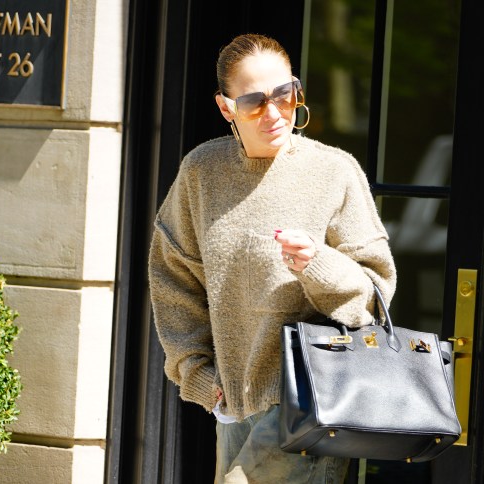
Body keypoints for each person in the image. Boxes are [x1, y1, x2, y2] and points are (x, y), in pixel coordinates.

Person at [148, 33, 396, 484]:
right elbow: (173, 276)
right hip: (232, 403)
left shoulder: (334, 171)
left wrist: (317, 264)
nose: (275, 112)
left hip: (312, 401)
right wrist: (198, 375)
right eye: (254, 102)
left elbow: (375, 293)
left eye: (285, 95)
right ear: (226, 108)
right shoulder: (202, 171)